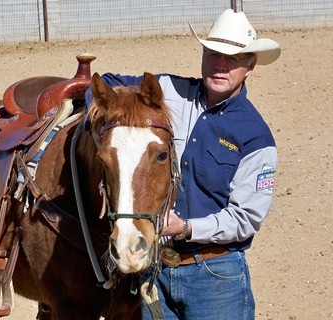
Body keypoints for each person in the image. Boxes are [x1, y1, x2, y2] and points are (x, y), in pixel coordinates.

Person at [85, 9, 281, 320]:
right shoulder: (170, 92)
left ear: (250, 65)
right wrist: (98, 120)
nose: (219, 65)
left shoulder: (256, 137)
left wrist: (187, 228)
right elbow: (105, 83)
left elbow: (246, 218)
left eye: (231, 58)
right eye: (212, 54)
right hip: (156, 272)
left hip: (215, 277)